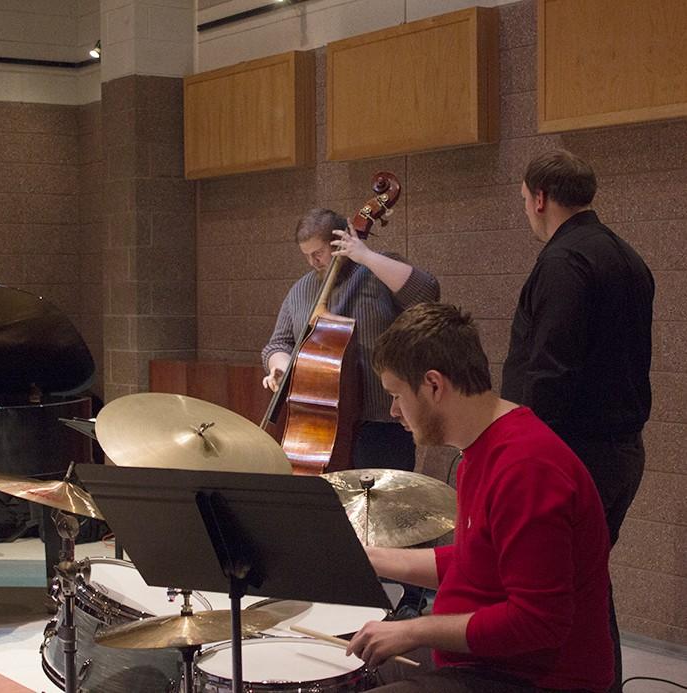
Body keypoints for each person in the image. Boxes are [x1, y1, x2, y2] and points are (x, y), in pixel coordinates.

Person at [349, 302, 613, 693]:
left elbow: (538, 621)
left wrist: (415, 630)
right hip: (486, 662)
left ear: (434, 385)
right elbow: (481, 559)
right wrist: (369, 559)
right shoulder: (481, 447)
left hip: (536, 679)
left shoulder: (526, 467)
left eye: (396, 395)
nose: (393, 412)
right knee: (344, 669)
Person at [501, 150, 654, 691]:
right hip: (619, 451)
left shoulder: (564, 261)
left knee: (555, 593)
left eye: (524, 200)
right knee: (587, 584)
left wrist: (521, 456)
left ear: (541, 198)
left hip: (573, 454)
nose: (525, 210)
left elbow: (550, 370)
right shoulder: (628, 256)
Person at [261, 208, 440, 473]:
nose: (313, 262)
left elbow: (427, 292)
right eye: (306, 256)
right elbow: (277, 344)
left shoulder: (375, 271)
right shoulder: (301, 289)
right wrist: (282, 367)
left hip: (382, 423)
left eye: (318, 253)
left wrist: (365, 256)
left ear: (338, 242)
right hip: (323, 426)